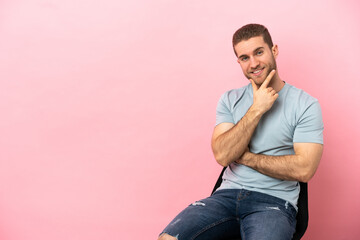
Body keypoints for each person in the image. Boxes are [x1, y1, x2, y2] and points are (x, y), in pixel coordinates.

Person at [158, 23, 324, 240]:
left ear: (274, 50)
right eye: (245, 58)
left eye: (259, 52)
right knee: (168, 238)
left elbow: (304, 169)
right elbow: (223, 156)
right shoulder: (230, 99)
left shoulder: (306, 104)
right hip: (225, 197)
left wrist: (245, 157)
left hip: (273, 202)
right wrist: (257, 109)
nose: (253, 63)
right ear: (239, 62)